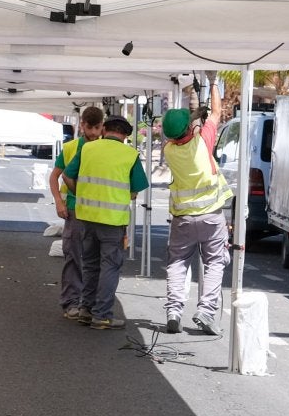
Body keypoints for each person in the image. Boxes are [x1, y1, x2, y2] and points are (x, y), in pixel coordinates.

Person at [63, 116, 147, 329]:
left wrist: (80, 194)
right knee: (109, 266)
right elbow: (135, 189)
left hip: (86, 216)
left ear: (104, 130)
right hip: (112, 221)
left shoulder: (88, 149)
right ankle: (102, 315)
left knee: (90, 264)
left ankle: (86, 310)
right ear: (125, 136)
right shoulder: (130, 154)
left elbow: (66, 176)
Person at [159, 107, 233, 334]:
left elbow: (179, 132)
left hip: (183, 219)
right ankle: (206, 311)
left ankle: (173, 311)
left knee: (177, 264)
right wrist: (212, 82)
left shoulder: (169, 150)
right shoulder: (203, 143)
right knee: (215, 263)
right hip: (211, 217)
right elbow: (217, 112)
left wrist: (192, 121)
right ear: (190, 128)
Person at [51, 105, 103, 318]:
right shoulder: (71, 147)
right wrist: (59, 202)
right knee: (74, 256)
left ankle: (88, 303)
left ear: (102, 127)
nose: (92, 132)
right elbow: (55, 176)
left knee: (93, 259)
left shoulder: (104, 149)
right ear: (81, 125)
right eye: (89, 127)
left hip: (98, 211)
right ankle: (71, 302)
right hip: (74, 209)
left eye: (96, 128)